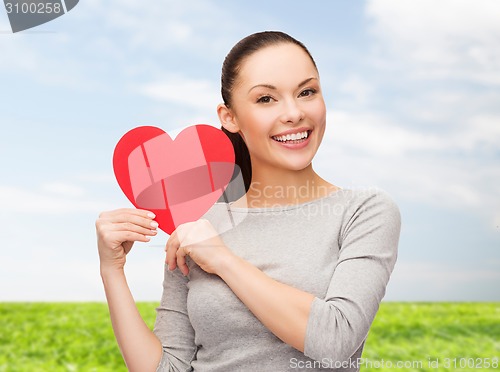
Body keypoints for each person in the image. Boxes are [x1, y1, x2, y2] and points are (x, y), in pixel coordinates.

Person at [96, 31, 401, 372]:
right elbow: (167, 367)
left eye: (307, 92)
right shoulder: (197, 224)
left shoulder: (363, 211)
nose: (293, 113)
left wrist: (224, 260)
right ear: (230, 117)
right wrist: (112, 270)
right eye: (266, 99)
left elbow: (336, 340)